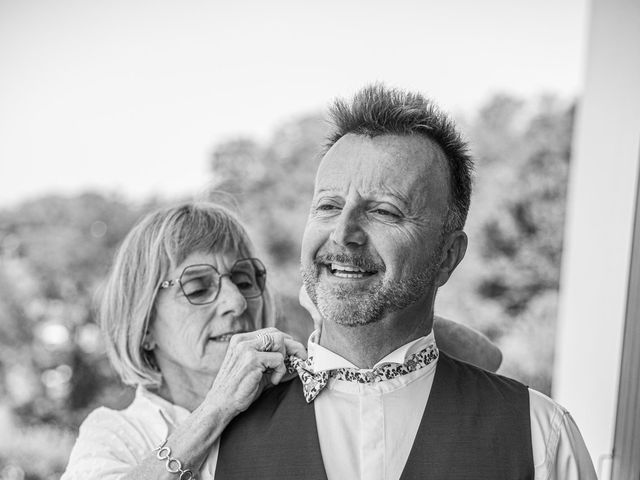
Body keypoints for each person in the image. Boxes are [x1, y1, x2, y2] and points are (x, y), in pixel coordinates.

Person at [215, 85, 597, 480]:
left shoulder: (541, 437)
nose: (343, 233)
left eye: (384, 211)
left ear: (447, 256)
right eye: (328, 206)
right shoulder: (219, 434)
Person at [61, 201, 502, 480]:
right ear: (143, 323)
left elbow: (484, 361)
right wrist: (216, 409)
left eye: (245, 278)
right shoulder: (114, 433)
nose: (236, 301)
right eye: (198, 287)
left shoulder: (298, 387)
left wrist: (346, 311)